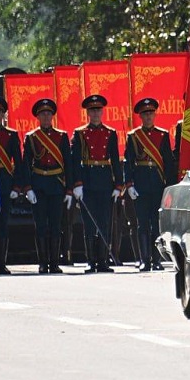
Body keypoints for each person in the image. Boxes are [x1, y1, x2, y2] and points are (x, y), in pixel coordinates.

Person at [70, 94, 124, 273]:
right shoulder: (80, 133)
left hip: (104, 181)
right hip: (87, 181)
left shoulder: (110, 133)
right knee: (89, 223)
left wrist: (118, 185)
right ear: (87, 113)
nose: (95, 113)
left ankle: (102, 260)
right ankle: (90, 260)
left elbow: (115, 160)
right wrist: (77, 184)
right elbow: (74, 160)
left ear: (102, 112)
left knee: (104, 222)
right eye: (92, 110)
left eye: (98, 110)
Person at [125, 98, 177, 271]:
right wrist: (129, 184)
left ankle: (157, 259)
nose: (148, 117)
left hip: (157, 184)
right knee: (142, 224)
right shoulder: (133, 136)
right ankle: (144, 259)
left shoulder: (162, 135)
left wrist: (170, 186)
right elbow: (129, 161)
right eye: (145, 114)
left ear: (155, 115)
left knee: (156, 224)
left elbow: (168, 162)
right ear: (140, 116)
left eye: (151, 113)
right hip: (140, 184)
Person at [23, 98, 71, 274]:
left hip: (57, 185)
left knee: (56, 226)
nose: (46, 117)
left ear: (52, 116)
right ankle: (43, 262)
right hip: (38, 185)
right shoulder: (32, 137)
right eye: (43, 114)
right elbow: (26, 164)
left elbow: (68, 164)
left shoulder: (61, 136)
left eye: (48, 114)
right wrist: (27, 188)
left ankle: (54, 262)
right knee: (41, 226)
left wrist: (70, 189)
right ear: (38, 117)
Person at [0, 96, 24, 275]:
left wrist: (17, 187)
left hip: (4, 182)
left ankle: (1, 262)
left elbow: (19, 163)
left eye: (0, 111)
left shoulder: (11, 135)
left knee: (3, 223)